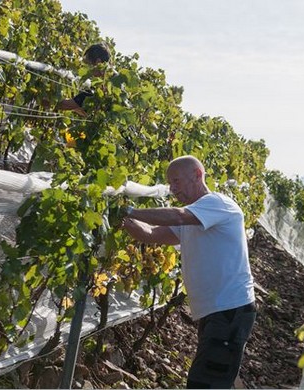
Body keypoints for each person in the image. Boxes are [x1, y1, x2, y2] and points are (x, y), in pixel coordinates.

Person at [119, 155, 256, 389]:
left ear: (197, 175)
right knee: (214, 380)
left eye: (176, 181)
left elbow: (178, 215)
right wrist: (123, 219)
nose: (172, 189)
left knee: (205, 383)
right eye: (170, 184)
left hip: (229, 309)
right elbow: (152, 235)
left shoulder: (217, 204)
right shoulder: (194, 218)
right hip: (216, 311)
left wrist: (131, 209)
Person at [56, 43, 111, 117]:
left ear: (98, 62)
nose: (86, 68)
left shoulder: (95, 91)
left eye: (88, 64)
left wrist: (40, 99)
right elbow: (86, 112)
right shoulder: (112, 80)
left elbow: (64, 105)